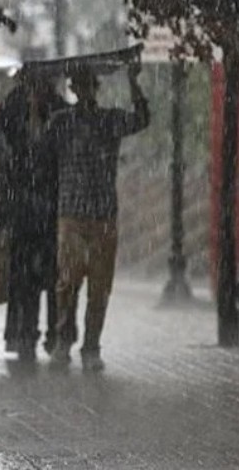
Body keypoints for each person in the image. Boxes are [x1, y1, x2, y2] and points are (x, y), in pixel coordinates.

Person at [46, 62, 149, 372]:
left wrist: (134, 83)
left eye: (88, 84)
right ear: (74, 89)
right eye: (79, 85)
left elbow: (142, 119)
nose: (84, 90)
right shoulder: (61, 122)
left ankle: (91, 345)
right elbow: (39, 148)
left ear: (94, 87)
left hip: (102, 212)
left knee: (99, 286)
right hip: (72, 213)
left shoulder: (109, 120)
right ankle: (64, 339)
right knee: (68, 280)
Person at [0, 70, 74, 361]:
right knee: (24, 277)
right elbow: (6, 153)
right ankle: (24, 334)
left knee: (54, 277)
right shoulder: (12, 108)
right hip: (23, 209)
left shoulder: (59, 110)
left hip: (52, 207)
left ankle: (56, 334)